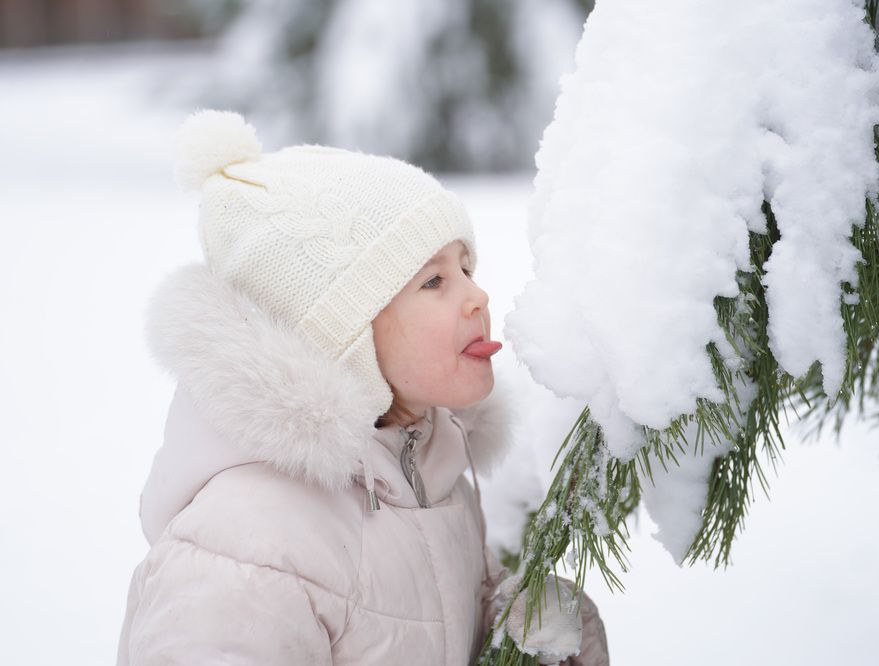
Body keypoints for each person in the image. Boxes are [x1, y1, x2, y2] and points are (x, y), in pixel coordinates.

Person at [116, 109, 609, 665]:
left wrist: (513, 625)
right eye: (434, 281)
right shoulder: (245, 554)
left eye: (467, 268)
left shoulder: (432, 472)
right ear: (340, 334)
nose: (478, 297)